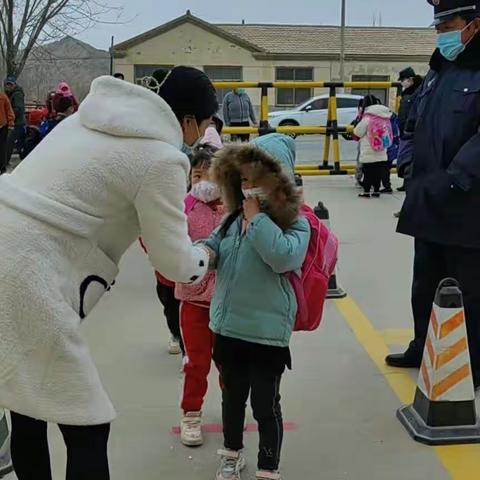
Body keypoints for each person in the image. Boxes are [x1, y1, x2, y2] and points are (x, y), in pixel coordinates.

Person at [0, 66, 218, 479]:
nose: (202, 136)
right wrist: (206, 254)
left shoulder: (84, 121)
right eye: (204, 125)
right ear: (188, 121)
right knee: (87, 423)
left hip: (6, 248)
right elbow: (172, 261)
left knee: (28, 404)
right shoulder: (162, 158)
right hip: (29, 276)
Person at [205, 135, 310, 480]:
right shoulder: (232, 219)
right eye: (243, 180)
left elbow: (283, 256)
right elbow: (213, 244)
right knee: (232, 400)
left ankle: (268, 466)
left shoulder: (297, 223)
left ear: (277, 181)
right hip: (229, 328)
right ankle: (232, 454)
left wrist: (258, 221)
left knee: (266, 404)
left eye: (256, 179)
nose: (248, 187)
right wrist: (202, 253)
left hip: (266, 333)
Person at [387, 1, 480, 389]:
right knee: (424, 283)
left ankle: (470, 362)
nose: (439, 30)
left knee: (469, 291)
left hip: (466, 204)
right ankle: (423, 346)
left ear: (474, 25)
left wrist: (456, 177)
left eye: (447, 21)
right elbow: (414, 123)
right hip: (427, 199)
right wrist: (407, 162)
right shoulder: (438, 69)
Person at [176, 144, 224, 447]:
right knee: (196, 362)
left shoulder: (234, 206)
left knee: (229, 363)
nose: (204, 180)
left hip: (228, 302)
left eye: (211, 174)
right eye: (197, 174)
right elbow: (159, 240)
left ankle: (232, 410)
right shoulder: (181, 206)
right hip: (193, 300)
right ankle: (191, 413)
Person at [353, 95, 394, 198]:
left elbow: (358, 132)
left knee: (368, 172)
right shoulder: (385, 118)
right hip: (381, 150)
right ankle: (376, 191)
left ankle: (366, 192)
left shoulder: (367, 118)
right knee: (378, 173)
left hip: (369, 150)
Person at [395, 67, 424, 194]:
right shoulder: (407, 92)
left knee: (409, 160)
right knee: (404, 160)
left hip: (412, 133)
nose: (402, 82)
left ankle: (409, 184)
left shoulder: (418, 92)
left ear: (411, 79)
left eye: (403, 80)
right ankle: (406, 183)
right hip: (404, 131)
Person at [4, 76, 26, 168]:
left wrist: (9, 116)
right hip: (13, 122)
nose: (8, 86)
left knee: (9, 142)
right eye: (7, 84)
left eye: (10, 84)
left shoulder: (17, 95)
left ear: (14, 85)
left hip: (17, 123)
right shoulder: (10, 94)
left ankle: (5, 162)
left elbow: (18, 109)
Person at [0, 91, 15, 174]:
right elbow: (9, 111)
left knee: (2, 147)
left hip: (3, 126)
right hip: (3, 125)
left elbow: (9, 111)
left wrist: (11, 122)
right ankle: (2, 167)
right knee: (2, 147)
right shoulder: (3, 97)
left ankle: (2, 167)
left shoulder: (3, 97)